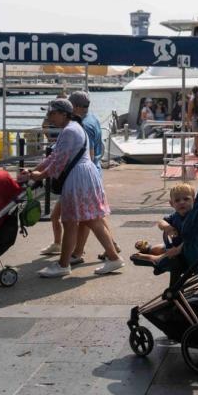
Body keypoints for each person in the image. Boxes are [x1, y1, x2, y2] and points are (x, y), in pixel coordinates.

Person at [22, 98, 123, 278]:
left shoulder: (69, 131)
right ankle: (113, 257)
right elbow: (54, 157)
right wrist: (34, 170)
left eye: (51, 113)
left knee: (71, 222)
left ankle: (63, 265)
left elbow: (58, 161)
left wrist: (39, 175)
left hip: (78, 178)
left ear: (63, 113)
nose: (48, 117)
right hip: (84, 176)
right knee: (92, 220)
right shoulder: (74, 128)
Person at [66, 91, 122, 265]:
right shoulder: (93, 119)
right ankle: (85, 251)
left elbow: (87, 154)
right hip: (95, 171)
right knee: (92, 216)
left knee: (90, 217)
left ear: (74, 106)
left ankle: (108, 250)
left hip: (85, 176)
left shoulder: (82, 125)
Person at [130, 182, 193, 265]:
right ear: (172, 204)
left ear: (194, 200)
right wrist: (167, 227)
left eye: (186, 199)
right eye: (177, 200)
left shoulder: (194, 217)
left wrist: (178, 250)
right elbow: (161, 222)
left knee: (169, 253)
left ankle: (155, 258)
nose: (182, 202)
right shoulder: (176, 215)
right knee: (159, 248)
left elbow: (192, 239)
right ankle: (148, 249)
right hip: (174, 245)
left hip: (185, 249)